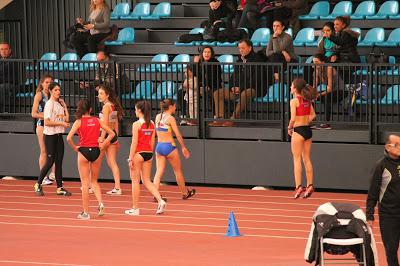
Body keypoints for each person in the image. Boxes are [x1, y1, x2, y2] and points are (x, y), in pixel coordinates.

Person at [67, 99, 115, 220]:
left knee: (85, 183)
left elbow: (68, 138)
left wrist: (75, 148)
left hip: (83, 151)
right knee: (94, 181)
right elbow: (112, 134)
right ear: (90, 109)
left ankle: (86, 212)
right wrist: (103, 144)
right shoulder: (97, 120)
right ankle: (100, 203)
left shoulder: (78, 122)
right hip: (96, 151)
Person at [125, 101, 167, 216]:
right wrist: (150, 152)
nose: (134, 111)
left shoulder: (136, 124)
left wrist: (130, 157)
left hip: (138, 154)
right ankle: (160, 200)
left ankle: (135, 208)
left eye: (135, 109)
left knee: (135, 181)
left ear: (139, 110)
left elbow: (134, 142)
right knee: (147, 180)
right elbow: (153, 141)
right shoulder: (152, 123)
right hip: (148, 153)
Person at [212, 39, 265, 126]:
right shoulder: (239, 61)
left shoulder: (257, 60)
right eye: (239, 48)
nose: (241, 50)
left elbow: (256, 80)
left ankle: (233, 119)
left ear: (250, 48)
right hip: (238, 90)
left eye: (243, 48)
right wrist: (232, 87)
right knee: (218, 93)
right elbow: (233, 78)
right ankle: (219, 118)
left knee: (245, 93)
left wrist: (241, 88)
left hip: (254, 89)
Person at [366, 134, 400, 266]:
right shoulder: (381, 166)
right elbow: (373, 192)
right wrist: (369, 215)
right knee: (391, 250)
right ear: (387, 147)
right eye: (396, 145)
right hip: (389, 215)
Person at [152, 99, 196, 199]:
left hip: (159, 146)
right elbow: (178, 134)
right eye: (175, 106)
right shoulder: (170, 118)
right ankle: (184, 193)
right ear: (171, 107)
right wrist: (183, 147)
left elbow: (155, 132)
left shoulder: (157, 117)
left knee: (158, 172)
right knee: (177, 171)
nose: (176, 108)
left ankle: (155, 194)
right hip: (169, 146)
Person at [33, 82, 71, 196]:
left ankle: (59, 188)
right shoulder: (49, 104)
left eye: (59, 90)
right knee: (50, 161)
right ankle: (38, 184)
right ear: (50, 91)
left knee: (59, 162)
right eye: (55, 90)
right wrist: (61, 124)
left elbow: (67, 119)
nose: (58, 92)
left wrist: (65, 107)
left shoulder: (59, 104)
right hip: (50, 136)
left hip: (59, 136)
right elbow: (48, 122)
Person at [288, 78, 316, 199]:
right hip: (307, 131)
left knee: (297, 159)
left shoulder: (294, 101)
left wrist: (289, 127)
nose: (290, 88)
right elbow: (313, 115)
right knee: (307, 158)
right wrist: (305, 121)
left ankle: (298, 186)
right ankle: (310, 185)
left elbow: (293, 118)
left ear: (295, 89)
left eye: (291, 86)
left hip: (298, 131)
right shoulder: (307, 100)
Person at [97, 84, 124, 195]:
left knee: (96, 162)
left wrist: (102, 139)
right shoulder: (112, 106)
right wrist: (116, 137)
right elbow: (115, 124)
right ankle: (117, 187)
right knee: (112, 162)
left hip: (106, 136)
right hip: (112, 136)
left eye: (101, 94)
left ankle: (91, 185)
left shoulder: (106, 107)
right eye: (99, 93)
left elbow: (105, 125)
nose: (99, 96)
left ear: (107, 95)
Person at [31, 74, 56, 185]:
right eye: (46, 82)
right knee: (44, 151)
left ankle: (54, 175)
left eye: (50, 82)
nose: (48, 84)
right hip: (41, 125)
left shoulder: (54, 95)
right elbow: (34, 113)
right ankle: (43, 176)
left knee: (54, 151)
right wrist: (46, 116)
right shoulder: (39, 95)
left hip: (51, 126)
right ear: (42, 83)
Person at [313, 22, 335, 130]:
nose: (325, 32)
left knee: (326, 97)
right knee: (308, 96)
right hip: (325, 62)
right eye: (324, 30)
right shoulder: (322, 40)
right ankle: (310, 121)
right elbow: (314, 85)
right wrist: (313, 93)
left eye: (328, 30)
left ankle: (327, 123)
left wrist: (319, 94)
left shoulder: (336, 40)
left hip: (335, 90)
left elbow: (330, 88)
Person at [0, 42, 18, 111]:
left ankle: (5, 110)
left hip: (11, 84)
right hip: (3, 84)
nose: (3, 51)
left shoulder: (13, 59)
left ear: (9, 50)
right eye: (1, 49)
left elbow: (3, 69)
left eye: (5, 49)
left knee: (2, 88)